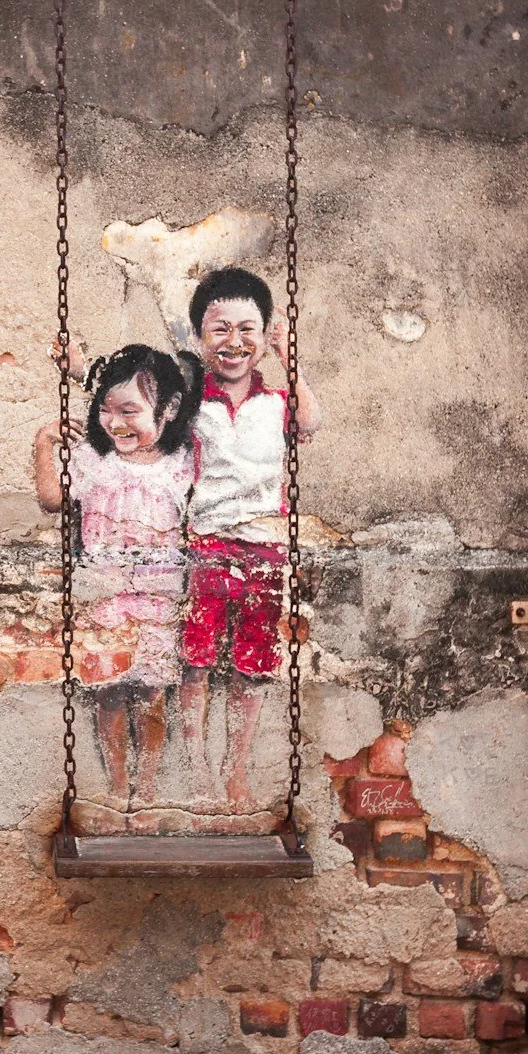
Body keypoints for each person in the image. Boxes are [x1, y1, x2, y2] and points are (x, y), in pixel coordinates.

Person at [175, 266, 322, 808]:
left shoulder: (277, 404)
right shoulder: (191, 405)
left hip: (265, 548)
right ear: (200, 337)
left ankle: (235, 768)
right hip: (205, 545)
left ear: (264, 335)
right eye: (220, 329)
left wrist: (289, 357)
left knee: (253, 664)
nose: (233, 342)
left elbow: (311, 423)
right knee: (196, 660)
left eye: (247, 329)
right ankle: (196, 767)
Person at [32, 343, 202, 811]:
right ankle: (116, 786)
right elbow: (51, 500)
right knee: (108, 692)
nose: (116, 422)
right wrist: (44, 443)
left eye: (130, 411)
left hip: (158, 598)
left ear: (168, 410)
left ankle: (145, 789)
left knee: (151, 694)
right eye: (106, 410)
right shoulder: (93, 459)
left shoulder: (181, 463)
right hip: (104, 595)